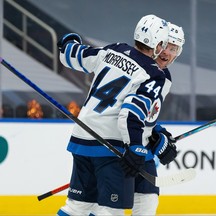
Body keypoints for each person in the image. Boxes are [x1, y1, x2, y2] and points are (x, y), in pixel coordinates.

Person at [56, 14, 179, 216]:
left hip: (82, 139)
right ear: (157, 42)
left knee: (77, 208)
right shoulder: (153, 73)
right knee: (110, 210)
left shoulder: (114, 49)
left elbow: (72, 55)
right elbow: (131, 114)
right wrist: (136, 148)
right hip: (111, 145)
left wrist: (69, 41)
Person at [131, 22, 185, 216]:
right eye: (165, 45)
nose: (167, 52)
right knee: (104, 209)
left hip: (141, 150)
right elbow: (124, 110)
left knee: (147, 204)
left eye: (174, 49)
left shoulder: (165, 78)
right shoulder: (137, 67)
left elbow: (145, 114)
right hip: (119, 147)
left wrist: (156, 133)